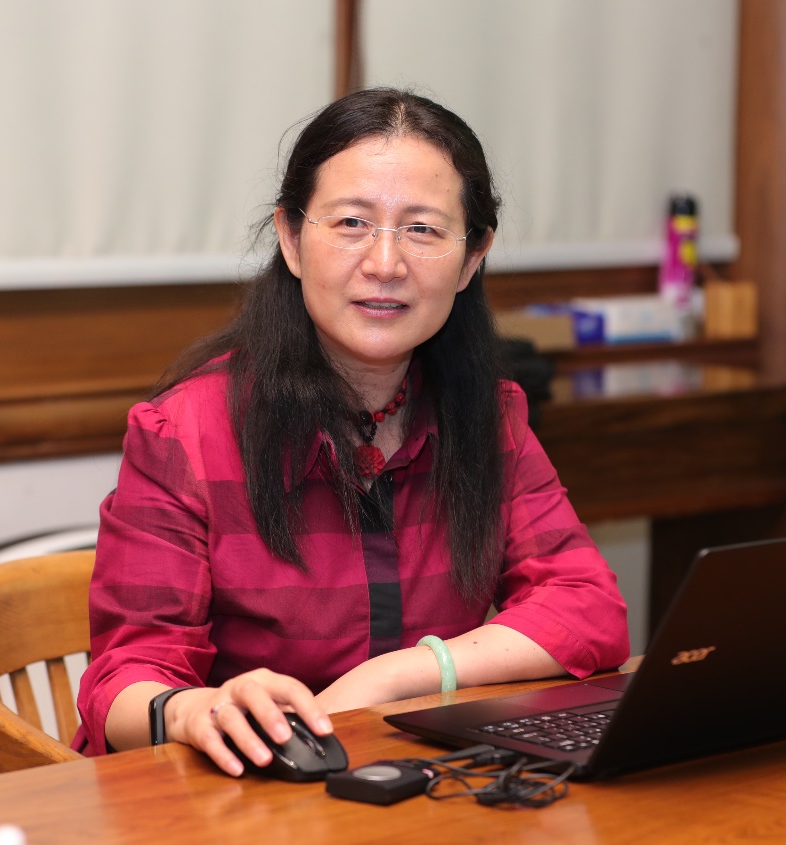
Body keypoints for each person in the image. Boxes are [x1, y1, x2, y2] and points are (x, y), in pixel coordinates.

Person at [74, 88, 629, 776]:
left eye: (423, 230)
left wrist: (396, 676)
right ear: (291, 239)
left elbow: (588, 606)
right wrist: (195, 710)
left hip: (422, 787)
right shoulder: (184, 431)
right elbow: (120, 682)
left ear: (472, 258)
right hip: (245, 796)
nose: (385, 264)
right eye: (352, 223)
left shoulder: (491, 416)